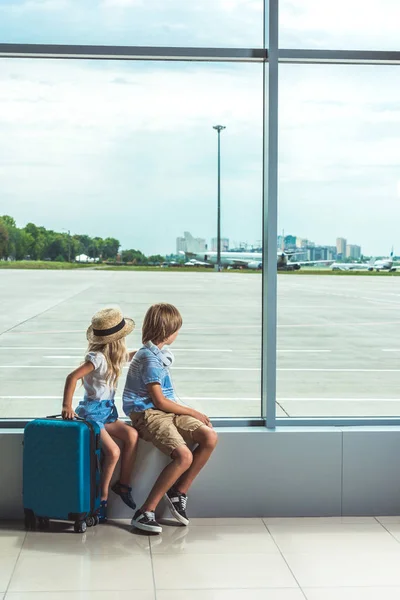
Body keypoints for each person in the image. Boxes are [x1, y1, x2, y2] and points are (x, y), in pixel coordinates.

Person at [123, 303, 218, 533]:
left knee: (209, 437)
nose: (178, 335)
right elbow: (159, 402)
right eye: (177, 331)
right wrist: (194, 412)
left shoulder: (154, 353)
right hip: (148, 413)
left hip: (166, 411)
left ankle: (178, 492)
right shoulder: (150, 360)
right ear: (167, 333)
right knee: (184, 456)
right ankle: (145, 512)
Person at [62, 307, 139, 523]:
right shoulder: (96, 358)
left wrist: (146, 352)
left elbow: (129, 357)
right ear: (117, 339)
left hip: (106, 411)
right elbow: (72, 377)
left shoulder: (113, 356)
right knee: (113, 452)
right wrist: (67, 406)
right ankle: (102, 499)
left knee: (132, 435)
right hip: (92, 413)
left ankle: (122, 485)